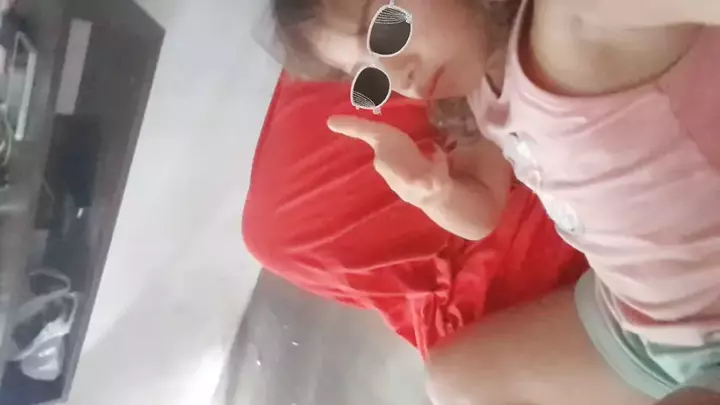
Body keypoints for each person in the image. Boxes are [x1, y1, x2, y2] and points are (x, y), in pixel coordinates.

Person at [267, 0, 720, 404]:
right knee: (454, 382)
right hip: (640, 321)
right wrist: (435, 193)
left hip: (707, 312)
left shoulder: (575, 24)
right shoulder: (481, 88)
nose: (397, 74)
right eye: (368, 73)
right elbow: (481, 211)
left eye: (384, 28)